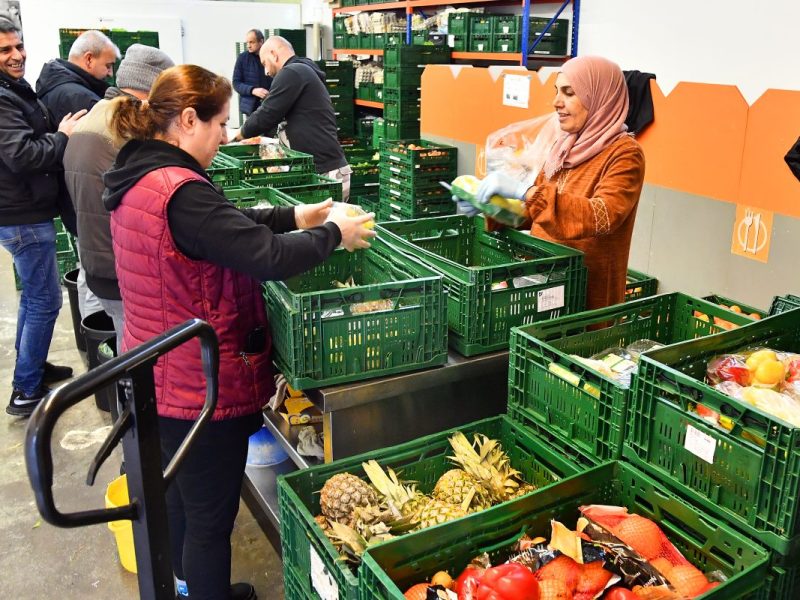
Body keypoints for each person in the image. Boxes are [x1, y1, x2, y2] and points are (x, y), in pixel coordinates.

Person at [103, 64, 374, 600]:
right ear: (186, 120)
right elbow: (266, 258)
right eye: (221, 124)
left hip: (156, 368)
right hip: (197, 384)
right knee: (210, 520)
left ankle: (183, 587)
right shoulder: (179, 190)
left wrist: (295, 215)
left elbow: (225, 222)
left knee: (178, 499)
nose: (226, 137)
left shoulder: (142, 175)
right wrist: (332, 235)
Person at [475, 55, 645, 310]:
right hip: (542, 283)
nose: (556, 102)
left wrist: (526, 190)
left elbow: (603, 216)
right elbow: (535, 211)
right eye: (557, 92)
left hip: (586, 296)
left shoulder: (624, 153)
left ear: (598, 97)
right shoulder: (564, 146)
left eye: (569, 93)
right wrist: (489, 206)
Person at [63, 44, 174, 347]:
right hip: (121, 270)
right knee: (140, 363)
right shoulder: (126, 130)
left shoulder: (97, 114)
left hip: (97, 259)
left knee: (125, 351)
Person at [0, 19, 84, 416]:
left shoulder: (15, 89)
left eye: (18, 46)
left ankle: (31, 366)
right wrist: (63, 136)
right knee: (45, 301)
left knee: (35, 299)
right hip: (22, 215)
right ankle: (25, 390)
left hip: (26, 210)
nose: (17, 56)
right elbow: (23, 154)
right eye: (5, 51)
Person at [235, 36, 352, 200]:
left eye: (264, 64)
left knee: (326, 224)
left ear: (274, 54)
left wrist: (237, 134)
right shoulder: (301, 71)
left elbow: (267, 114)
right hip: (323, 170)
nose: (266, 72)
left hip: (327, 175)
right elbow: (296, 125)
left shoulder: (292, 73)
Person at [36, 29, 120, 123]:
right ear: (89, 59)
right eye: (108, 66)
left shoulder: (54, 84)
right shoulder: (83, 99)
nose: (110, 73)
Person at [232, 28, 272, 120]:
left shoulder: (270, 56)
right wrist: (253, 90)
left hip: (270, 105)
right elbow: (236, 83)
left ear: (261, 41)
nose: (248, 46)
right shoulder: (242, 58)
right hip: (251, 108)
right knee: (254, 133)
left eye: (252, 42)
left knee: (269, 134)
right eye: (247, 43)